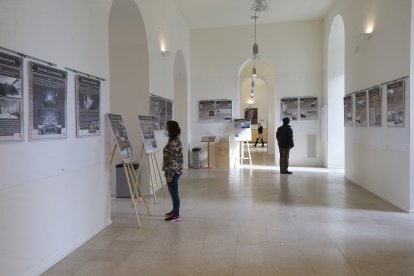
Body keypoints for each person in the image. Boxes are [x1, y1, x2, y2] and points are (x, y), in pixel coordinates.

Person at [163, 120, 183, 222]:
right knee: (172, 193)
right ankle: (174, 210)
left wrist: (170, 174)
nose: (165, 129)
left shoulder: (173, 142)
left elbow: (173, 160)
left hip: (173, 171)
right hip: (174, 170)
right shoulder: (173, 139)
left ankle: (176, 215)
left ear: (171, 129)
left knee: (174, 193)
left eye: (167, 127)